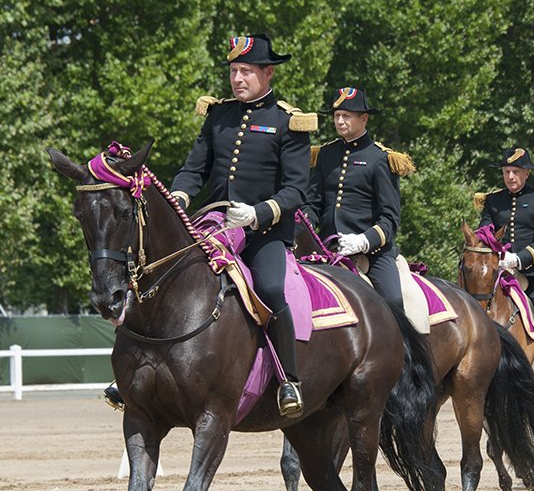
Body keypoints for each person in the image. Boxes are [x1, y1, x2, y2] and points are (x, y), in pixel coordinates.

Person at [170, 34, 316, 417]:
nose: (237, 79)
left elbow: (297, 189)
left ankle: (289, 381)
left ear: (268, 74)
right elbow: (193, 169)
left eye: (246, 71)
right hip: (215, 223)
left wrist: (259, 213)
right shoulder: (219, 115)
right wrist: (181, 197)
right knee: (169, 271)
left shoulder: (289, 121)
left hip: (264, 231)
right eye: (234, 71)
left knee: (269, 287)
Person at [302, 87, 413, 311]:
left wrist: (363, 241)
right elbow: (313, 203)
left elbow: (390, 219)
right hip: (327, 246)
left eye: (346, 116)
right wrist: (302, 224)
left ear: (364, 118)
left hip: (371, 252)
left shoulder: (381, 158)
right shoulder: (326, 154)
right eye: (336, 116)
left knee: (392, 302)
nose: (340, 121)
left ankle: (403, 346)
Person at [477, 148, 534, 395]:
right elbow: (484, 231)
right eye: (506, 172)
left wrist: (518, 258)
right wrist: (492, 251)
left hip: (533, 273)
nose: (510, 177)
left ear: (526, 173)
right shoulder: (493, 200)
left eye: (515, 172)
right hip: (499, 273)